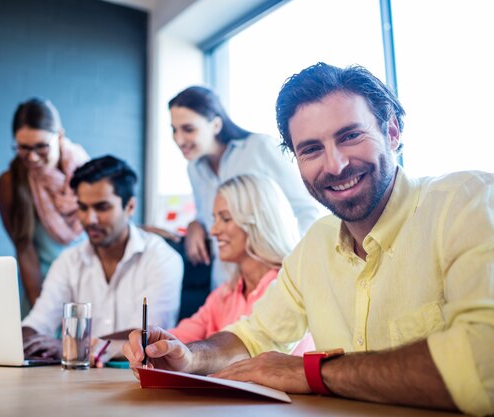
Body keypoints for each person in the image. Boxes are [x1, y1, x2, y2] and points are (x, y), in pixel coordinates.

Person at [125, 63, 494, 416]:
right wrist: (189, 357)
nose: (334, 165)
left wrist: (310, 372)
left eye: (350, 136)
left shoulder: (469, 202)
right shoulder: (315, 245)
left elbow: (484, 364)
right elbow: (254, 335)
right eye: (311, 149)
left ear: (393, 132)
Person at [21, 155, 183, 359]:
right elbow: (39, 321)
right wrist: (19, 342)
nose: (90, 219)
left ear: (130, 207)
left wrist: (74, 347)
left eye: (102, 207)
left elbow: (147, 335)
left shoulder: (162, 258)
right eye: (83, 207)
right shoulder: (68, 261)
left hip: (137, 380)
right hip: (80, 380)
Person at [168, 86, 321, 288]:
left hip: (273, 282)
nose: (179, 139)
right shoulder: (194, 169)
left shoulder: (259, 147)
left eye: (188, 129)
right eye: (174, 130)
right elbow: (211, 215)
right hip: (225, 285)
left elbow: (306, 210)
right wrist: (196, 223)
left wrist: (289, 265)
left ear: (215, 125)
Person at [168, 174, 313, 355]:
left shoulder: (288, 291)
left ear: (258, 221)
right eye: (214, 219)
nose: (213, 231)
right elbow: (181, 336)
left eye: (226, 219)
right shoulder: (224, 294)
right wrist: (151, 342)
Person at [0, 98, 90, 312]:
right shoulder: (11, 182)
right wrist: (44, 313)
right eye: (23, 148)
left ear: (59, 136)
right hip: (41, 291)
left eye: (41, 147)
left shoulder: (85, 171)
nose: (32, 157)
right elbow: (24, 249)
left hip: (87, 289)